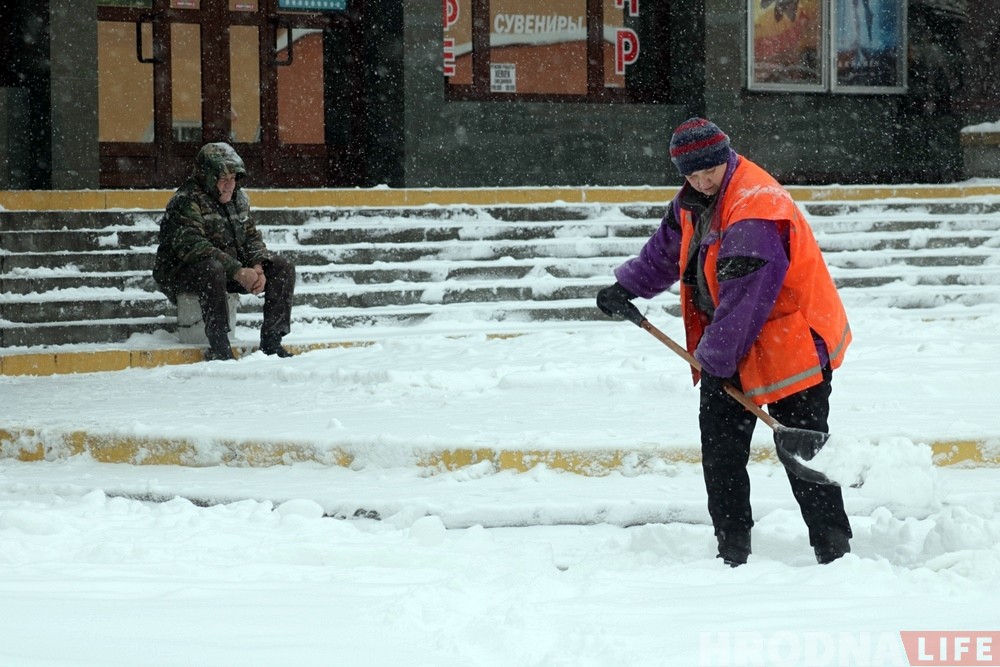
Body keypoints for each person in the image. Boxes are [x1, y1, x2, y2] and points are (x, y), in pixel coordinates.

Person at [597, 118, 853, 566]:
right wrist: (627, 286)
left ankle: (834, 549)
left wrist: (715, 360)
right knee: (721, 453)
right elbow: (666, 250)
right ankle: (732, 547)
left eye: (708, 171)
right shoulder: (693, 201)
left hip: (791, 341)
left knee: (804, 452)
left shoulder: (756, 205)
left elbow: (746, 296)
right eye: (691, 174)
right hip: (731, 342)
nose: (701, 181)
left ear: (726, 158)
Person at [153, 142, 296, 361]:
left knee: (281, 267)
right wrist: (238, 271)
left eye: (234, 178)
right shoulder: (186, 200)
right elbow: (193, 247)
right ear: (208, 177)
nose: (230, 185)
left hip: (225, 271)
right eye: (223, 179)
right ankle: (220, 347)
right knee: (212, 268)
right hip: (182, 273)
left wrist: (257, 266)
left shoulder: (239, 198)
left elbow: (251, 237)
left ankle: (272, 343)